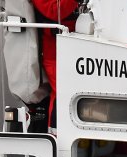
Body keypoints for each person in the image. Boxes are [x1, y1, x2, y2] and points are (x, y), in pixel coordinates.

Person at [33, 0, 79, 131]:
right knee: (63, 93)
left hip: (73, 47)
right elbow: (54, 10)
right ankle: (56, 136)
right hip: (55, 52)